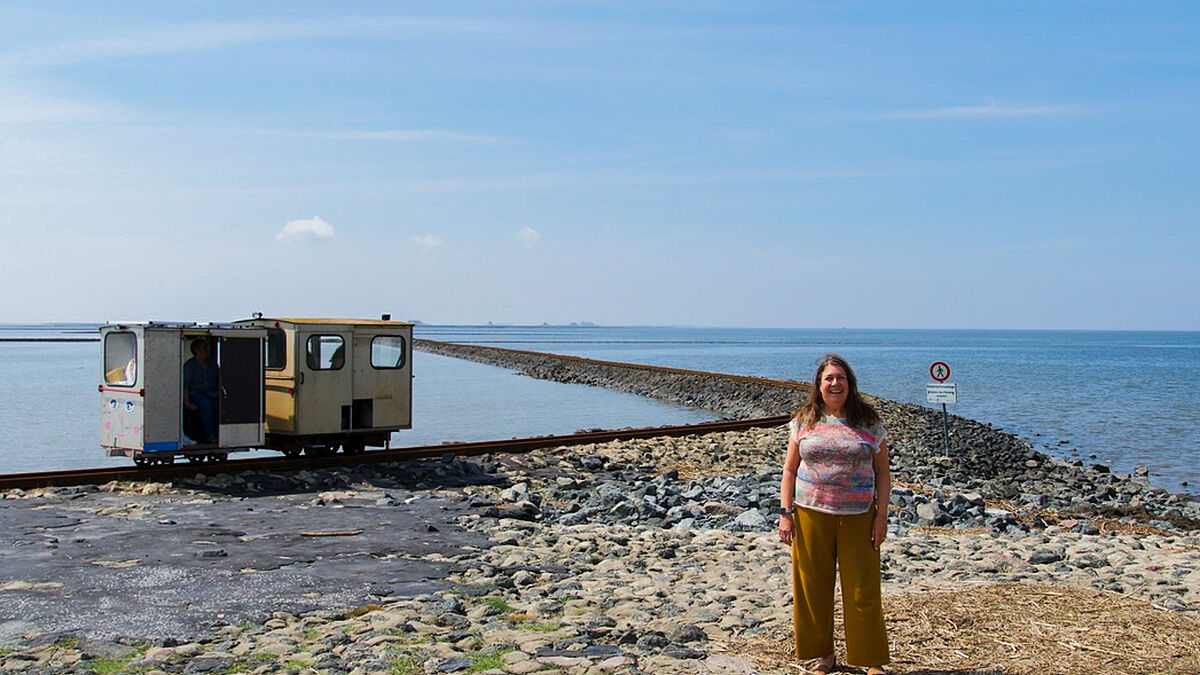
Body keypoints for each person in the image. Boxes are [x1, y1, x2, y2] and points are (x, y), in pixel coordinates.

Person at [779, 354, 891, 675]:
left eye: (840, 378)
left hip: (859, 515)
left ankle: (871, 660)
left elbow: (883, 473)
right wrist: (785, 513)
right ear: (819, 384)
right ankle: (822, 656)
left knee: (862, 588)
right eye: (829, 378)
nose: (834, 383)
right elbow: (789, 469)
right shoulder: (804, 420)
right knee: (812, 586)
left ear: (849, 384)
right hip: (810, 514)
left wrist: (881, 515)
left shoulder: (868, 422)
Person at [183, 338, 220, 444]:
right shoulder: (189, 366)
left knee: (219, 404)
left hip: (211, 392)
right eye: (204, 348)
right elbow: (185, 385)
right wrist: (187, 403)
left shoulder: (213, 364)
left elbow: (219, 380)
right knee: (206, 404)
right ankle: (210, 435)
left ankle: (220, 433)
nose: (207, 350)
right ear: (196, 350)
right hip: (196, 393)